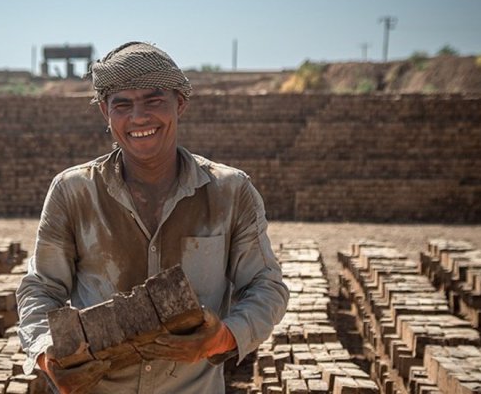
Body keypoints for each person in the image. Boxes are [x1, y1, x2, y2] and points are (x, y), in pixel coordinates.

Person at [16, 41, 289, 393]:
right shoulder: (73, 192)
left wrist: (221, 338)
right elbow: (41, 288)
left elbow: (266, 286)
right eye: (122, 104)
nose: (139, 117)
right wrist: (46, 356)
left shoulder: (230, 192)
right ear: (105, 112)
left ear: (181, 103)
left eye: (153, 100)